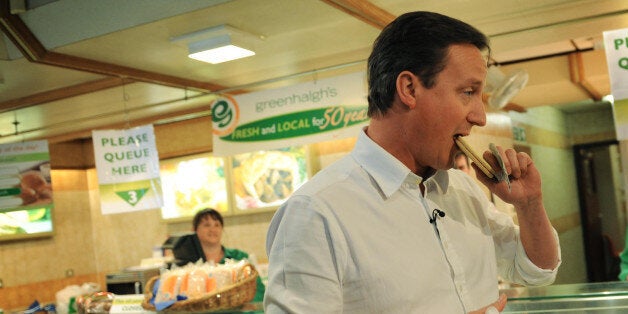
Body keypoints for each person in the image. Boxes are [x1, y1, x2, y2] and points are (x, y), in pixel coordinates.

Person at [264, 11, 561, 313]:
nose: (480, 117)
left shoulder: (462, 189)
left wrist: (529, 205)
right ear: (408, 89)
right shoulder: (315, 213)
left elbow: (536, 271)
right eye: (468, 92)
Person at [172, 208, 265, 303]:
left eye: (217, 225)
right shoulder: (187, 263)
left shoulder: (239, 258)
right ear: (194, 230)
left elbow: (259, 291)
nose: (213, 229)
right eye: (207, 225)